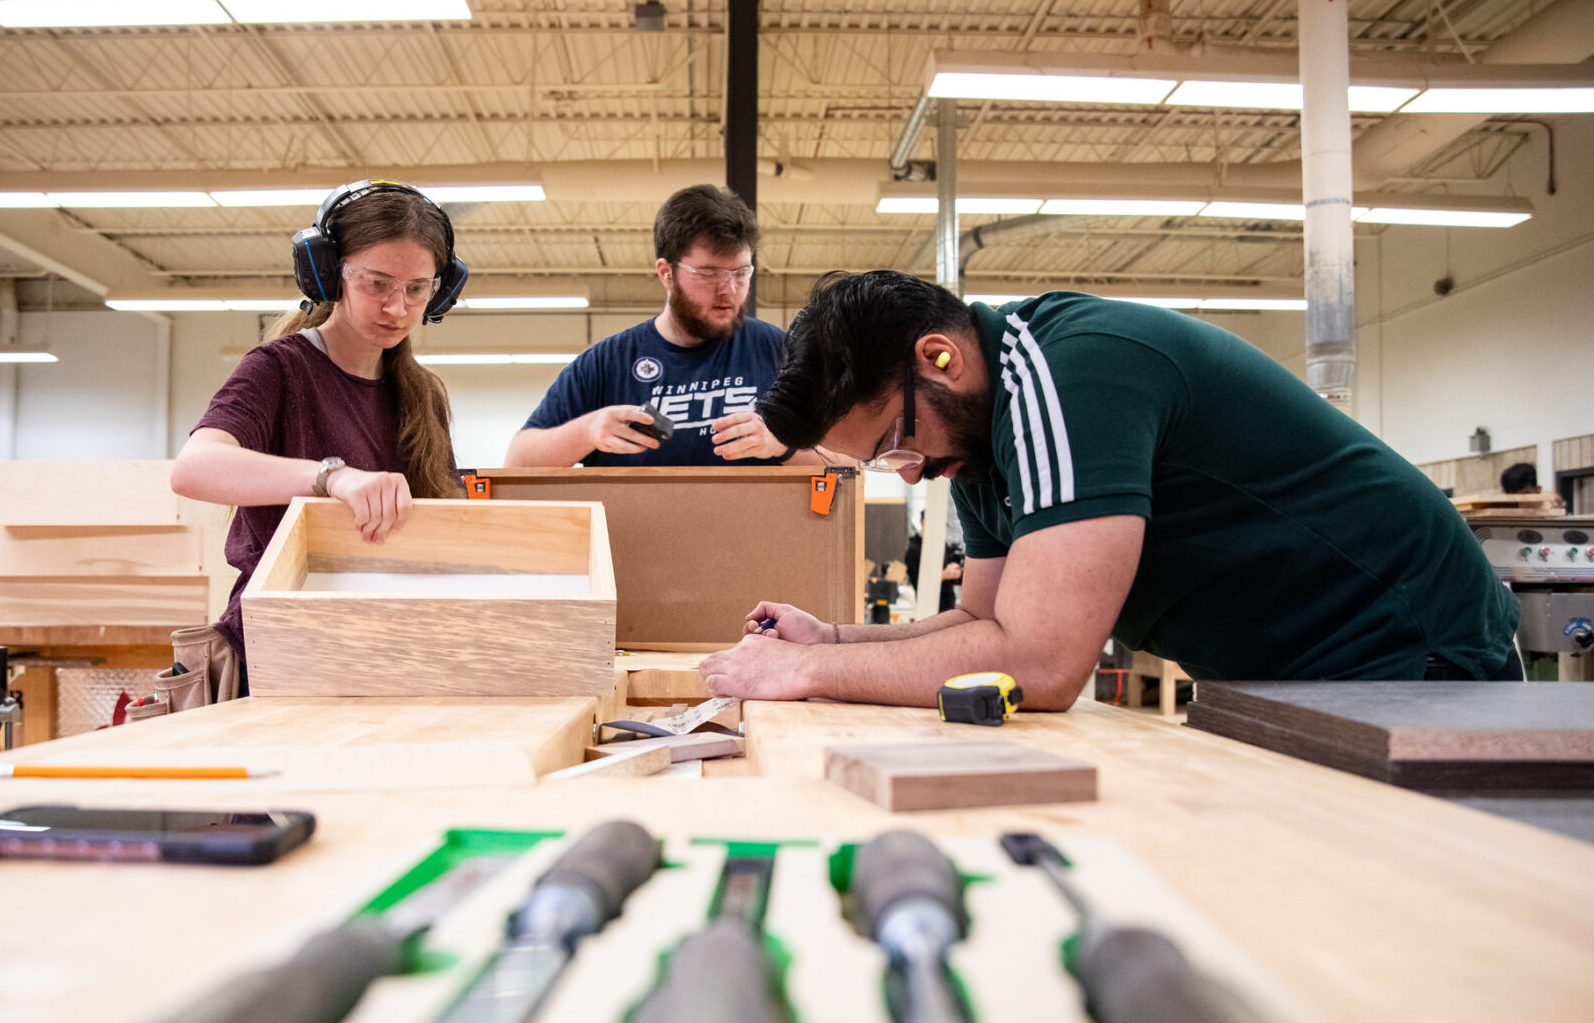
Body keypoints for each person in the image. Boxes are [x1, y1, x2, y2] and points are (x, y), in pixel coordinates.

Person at [699, 273, 1521, 708]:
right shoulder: (975, 444)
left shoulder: (1068, 372)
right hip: (1290, 678)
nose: (907, 471)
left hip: (1409, 656)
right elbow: (985, 622)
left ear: (940, 357)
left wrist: (802, 678)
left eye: (893, 442)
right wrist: (830, 644)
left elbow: (1041, 665)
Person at [170, 180, 467, 684]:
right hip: (280, 648)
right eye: (376, 283)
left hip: (384, 650)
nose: (397, 308)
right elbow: (194, 469)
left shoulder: (421, 394)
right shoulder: (279, 369)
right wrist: (333, 478)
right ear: (329, 274)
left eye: (417, 289)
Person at [504, 184, 813, 466]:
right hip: (632, 529)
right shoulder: (605, 364)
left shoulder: (779, 352)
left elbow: (845, 461)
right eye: (709, 274)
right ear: (666, 272)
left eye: (741, 273)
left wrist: (780, 446)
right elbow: (518, 464)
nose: (729, 290)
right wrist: (588, 431)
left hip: (758, 529)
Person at [1499, 461, 1566, 508]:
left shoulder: (1552, 507)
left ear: (1538, 490)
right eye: (1512, 497)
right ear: (1503, 492)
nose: (1519, 502)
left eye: (1524, 495)